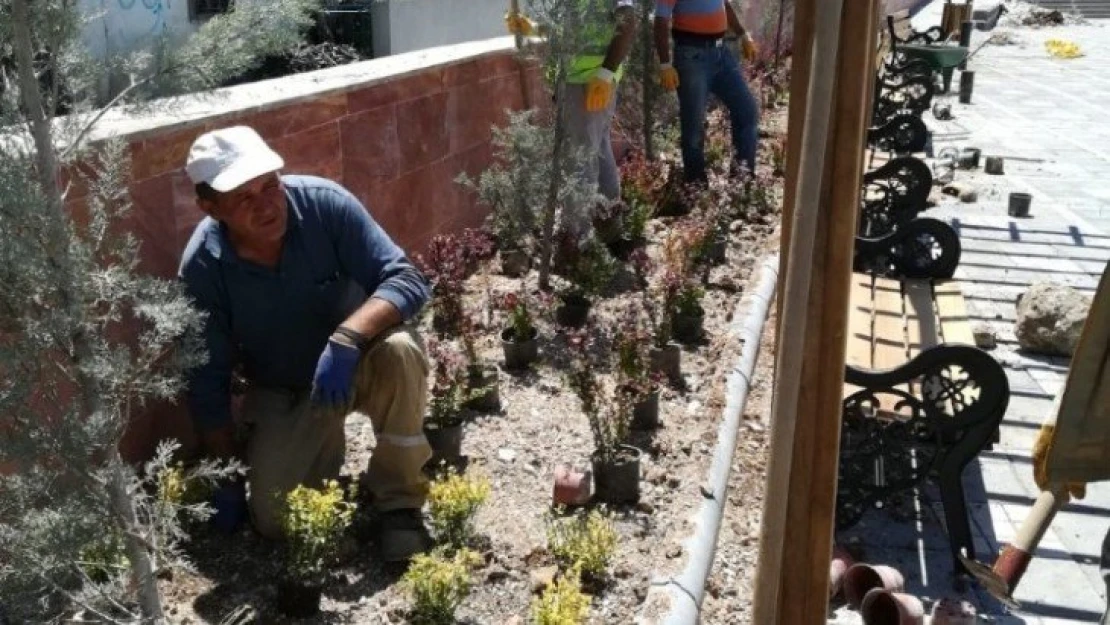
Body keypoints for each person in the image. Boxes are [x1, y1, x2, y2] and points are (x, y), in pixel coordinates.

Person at [178, 125, 433, 562]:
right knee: (277, 520)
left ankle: (400, 504)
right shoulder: (204, 266)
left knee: (401, 352)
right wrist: (224, 473)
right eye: (244, 196)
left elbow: (407, 279)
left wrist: (348, 338)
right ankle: (320, 452)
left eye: (270, 185)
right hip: (286, 386)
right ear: (210, 207)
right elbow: (208, 374)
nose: (267, 204)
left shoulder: (324, 205)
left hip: (359, 361)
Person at [505, 0, 638, 235]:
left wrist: (606, 73)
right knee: (599, 150)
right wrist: (531, 28)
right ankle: (610, 226)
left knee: (580, 159)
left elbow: (628, 22)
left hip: (590, 83)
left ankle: (576, 237)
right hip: (577, 81)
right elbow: (565, 31)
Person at [654, 0, 760, 183]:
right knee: (693, 127)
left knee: (747, 110)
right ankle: (695, 186)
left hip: (721, 53)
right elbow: (660, 20)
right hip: (692, 56)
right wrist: (665, 64)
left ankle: (742, 180)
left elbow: (723, 3)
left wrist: (743, 35)